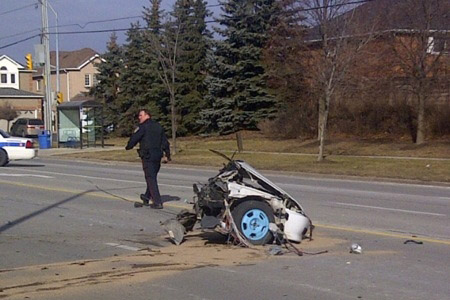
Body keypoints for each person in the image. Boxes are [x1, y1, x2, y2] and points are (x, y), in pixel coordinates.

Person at [125, 109, 171, 209]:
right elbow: (165, 142)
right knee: (152, 176)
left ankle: (157, 202)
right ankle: (146, 197)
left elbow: (135, 138)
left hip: (148, 156)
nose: (139, 117)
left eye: (141, 115)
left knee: (150, 178)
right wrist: (167, 155)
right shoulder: (158, 126)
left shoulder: (143, 127)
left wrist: (128, 146)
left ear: (147, 115)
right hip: (158, 155)